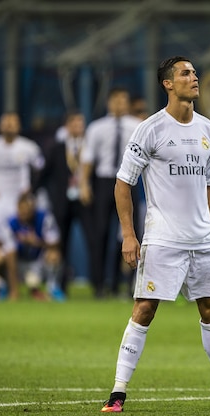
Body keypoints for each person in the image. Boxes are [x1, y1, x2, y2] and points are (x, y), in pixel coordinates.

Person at [100, 56, 210, 413]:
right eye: (185, 73)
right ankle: (117, 394)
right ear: (168, 84)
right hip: (162, 239)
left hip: (203, 241)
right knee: (144, 309)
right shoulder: (150, 129)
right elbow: (122, 183)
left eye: (194, 72)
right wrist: (129, 235)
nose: (194, 78)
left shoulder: (209, 130)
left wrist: (208, 226)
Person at [0, 112, 45, 300]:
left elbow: (40, 168)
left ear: (19, 126)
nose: (9, 126)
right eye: (6, 122)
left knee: (26, 239)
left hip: (20, 203)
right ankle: (1, 285)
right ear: (0, 126)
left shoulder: (29, 147)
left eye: (13, 122)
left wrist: (31, 189)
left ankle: (32, 283)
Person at [80, 88, 141, 298]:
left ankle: (123, 284)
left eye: (124, 100)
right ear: (109, 103)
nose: (120, 104)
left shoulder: (137, 126)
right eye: (116, 100)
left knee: (129, 233)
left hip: (129, 182)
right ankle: (98, 285)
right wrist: (84, 185)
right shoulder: (97, 127)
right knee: (101, 234)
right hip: (104, 182)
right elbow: (88, 159)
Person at [38, 111, 94, 299]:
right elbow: (44, 173)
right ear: (67, 126)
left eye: (81, 123)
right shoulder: (56, 147)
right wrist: (38, 193)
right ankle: (59, 285)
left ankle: (99, 285)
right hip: (62, 202)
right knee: (60, 244)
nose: (79, 127)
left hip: (85, 200)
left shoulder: (90, 146)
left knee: (93, 241)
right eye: (75, 123)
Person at [0, 192, 62, 301]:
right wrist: (15, 291)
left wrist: (37, 242)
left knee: (54, 255)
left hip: (38, 261)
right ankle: (8, 286)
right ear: (17, 208)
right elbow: (10, 252)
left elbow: (55, 242)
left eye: (27, 210)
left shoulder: (44, 218)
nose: (24, 212)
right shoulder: (10, 223)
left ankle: (52, 288)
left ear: (33, 208)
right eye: (22, 209)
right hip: (18, 262)